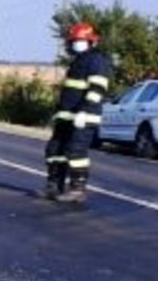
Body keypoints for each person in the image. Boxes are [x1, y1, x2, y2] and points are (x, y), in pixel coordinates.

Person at [39, 22, 112, 203]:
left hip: (83, 117)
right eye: (74, 41)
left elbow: (98, 89)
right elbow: (70, 92)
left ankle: (77, 189)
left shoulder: (96, 61)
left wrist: (84, 111)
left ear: (90, 42)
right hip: (66, 116)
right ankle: (54, 186)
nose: (76, 44)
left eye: (80, 40)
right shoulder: (78, 61)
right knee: (55, 150)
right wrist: (58, 114)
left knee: (76, 151)